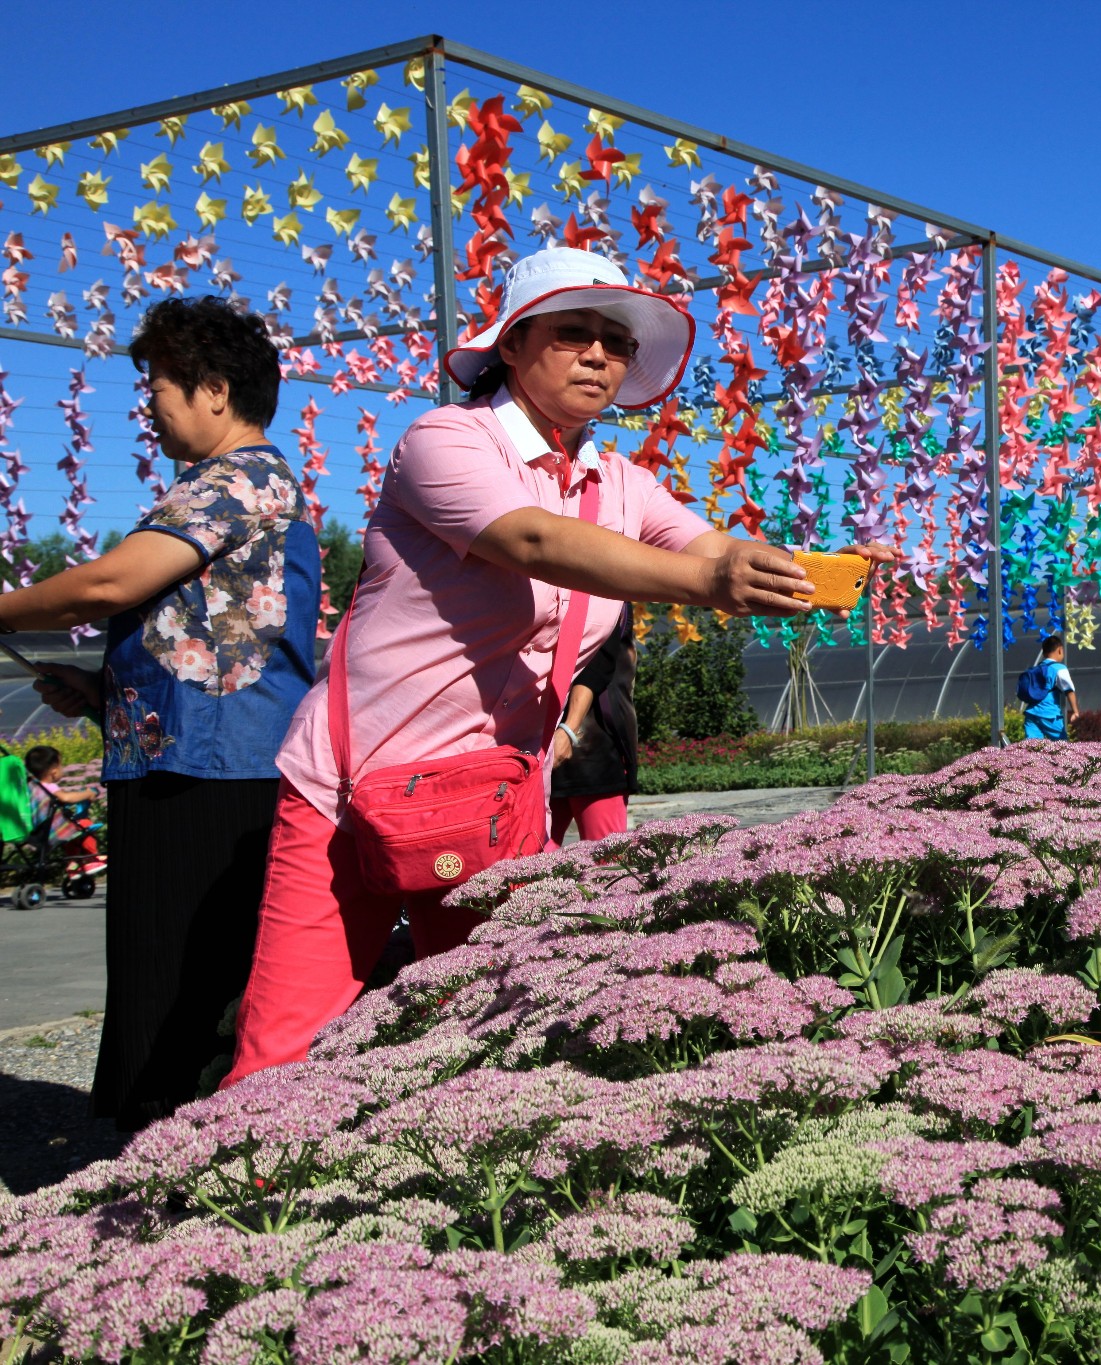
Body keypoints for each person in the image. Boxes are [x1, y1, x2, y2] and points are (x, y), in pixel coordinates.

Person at [223, 246, 894, 1084]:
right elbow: (534, 541)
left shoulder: (619, 480)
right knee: (284, 1049)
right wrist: (713, 579)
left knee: (487, 1041)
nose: (599, 356)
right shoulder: (446, 440)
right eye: (574, 333)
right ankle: (238, 1206)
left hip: (493, 799)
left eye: (615, 345)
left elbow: (710, 546)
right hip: (352, 789)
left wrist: (804, 570)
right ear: (512, 343)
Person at [2, 295, 318, 1128]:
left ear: (214, 389)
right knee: (171, 965)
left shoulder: (237, 480)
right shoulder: (229, 485)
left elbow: (113, 581)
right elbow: (215, 638)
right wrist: (103, 694)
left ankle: (175, 1158)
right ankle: (173, 1148)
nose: (151, 409)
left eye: (159, 389)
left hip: (212, 770)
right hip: (189, 755)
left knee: (181, 973)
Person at [549, 610, 638, 845]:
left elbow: (596, 666)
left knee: (607, 863)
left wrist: (569, 729)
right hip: (560, 743)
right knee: (527, 863)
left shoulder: (604, 597)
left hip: (590, 746)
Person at [24, 745, 105, 875]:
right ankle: (91, 857)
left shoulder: (31, 786)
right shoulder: (49, 786)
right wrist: (88, 794)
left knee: (72, 833)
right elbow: (66, 797)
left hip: (39, 830)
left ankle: (73, 864)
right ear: (54, 771)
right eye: (61, 765)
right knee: (84, 825)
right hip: (52, 830)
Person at [1018, 634, 1078, 740]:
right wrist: (1075, 711)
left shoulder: (1036, 668)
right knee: (1061, 747)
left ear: (1043, 652)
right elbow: (1069, 690)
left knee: (1033, 748)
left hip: (1031, 713)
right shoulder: (1059, 668)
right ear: (1060, 650)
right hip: (1049, 714)